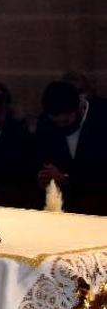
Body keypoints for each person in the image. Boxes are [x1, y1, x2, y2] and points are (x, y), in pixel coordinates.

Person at [34, 80, 107, 214]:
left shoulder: (102, 118)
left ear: (79, 107)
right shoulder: (45, 123)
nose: (62, 126)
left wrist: (66, 179)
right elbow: (42, 156)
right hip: (65, 206)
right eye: (57, 123)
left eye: (66, 121)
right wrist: (44, 177)